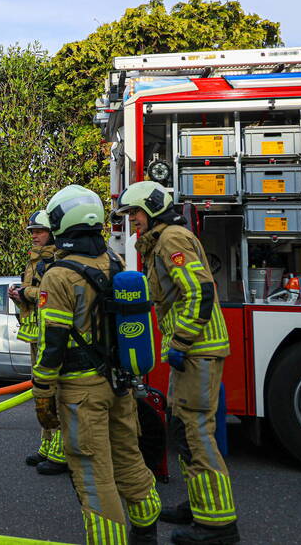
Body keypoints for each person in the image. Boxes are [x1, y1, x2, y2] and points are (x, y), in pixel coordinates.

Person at [33, 185, 162, 545]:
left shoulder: (58, 275)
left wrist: (42, 391)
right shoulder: (114, 261)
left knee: (93, 471)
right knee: (128, 457)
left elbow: (53, 342)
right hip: (118, 384)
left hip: (81, 391)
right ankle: (146, 530)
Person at [115, 181, 238, 545]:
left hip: (197, 349)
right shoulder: (162, 241)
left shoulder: (170, 240)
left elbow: (199, 292)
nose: (132, 220)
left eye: (135, 213)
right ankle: (199, 505)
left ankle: (218, 526)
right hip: (190, 350)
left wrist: (182, 341)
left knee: (196, 434)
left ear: (152, 209)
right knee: (184, 430)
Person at [8, 210, 66, 474]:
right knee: (41, 393)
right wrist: (18, 295)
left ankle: (61, 452)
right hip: (37, 335)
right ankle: (47, 445)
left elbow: (47, 292)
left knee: (54, 392)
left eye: (39, 231)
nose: (34, 235)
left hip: (51, 335)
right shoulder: (34, 260)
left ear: (52, 232)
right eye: (31, 231)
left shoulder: (54, 260)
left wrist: (24, 292)